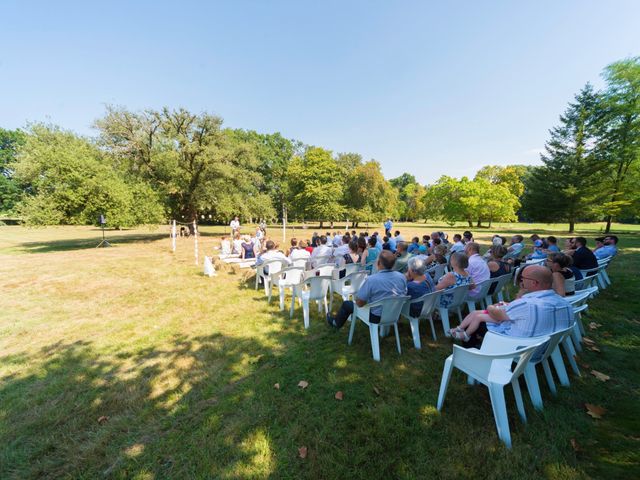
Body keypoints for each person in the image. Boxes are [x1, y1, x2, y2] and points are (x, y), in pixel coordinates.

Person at [452, 266, 573, 345]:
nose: (521, 281)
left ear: (534, 283)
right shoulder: (565, 303)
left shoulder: (526, 304)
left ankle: (473, 353)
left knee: (480, 322)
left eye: (522, 278)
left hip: (517, 347)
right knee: (480, 316)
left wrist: (490, 307)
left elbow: (497, 315)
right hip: (545, 345)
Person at [327, 250, 407, 329]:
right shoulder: (402, 277)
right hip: (395, 313)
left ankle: (336, 323)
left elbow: (359, 303)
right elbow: (403, 294)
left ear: (378, 263)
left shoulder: (371, 280)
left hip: (375, 316)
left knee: (347, 304)